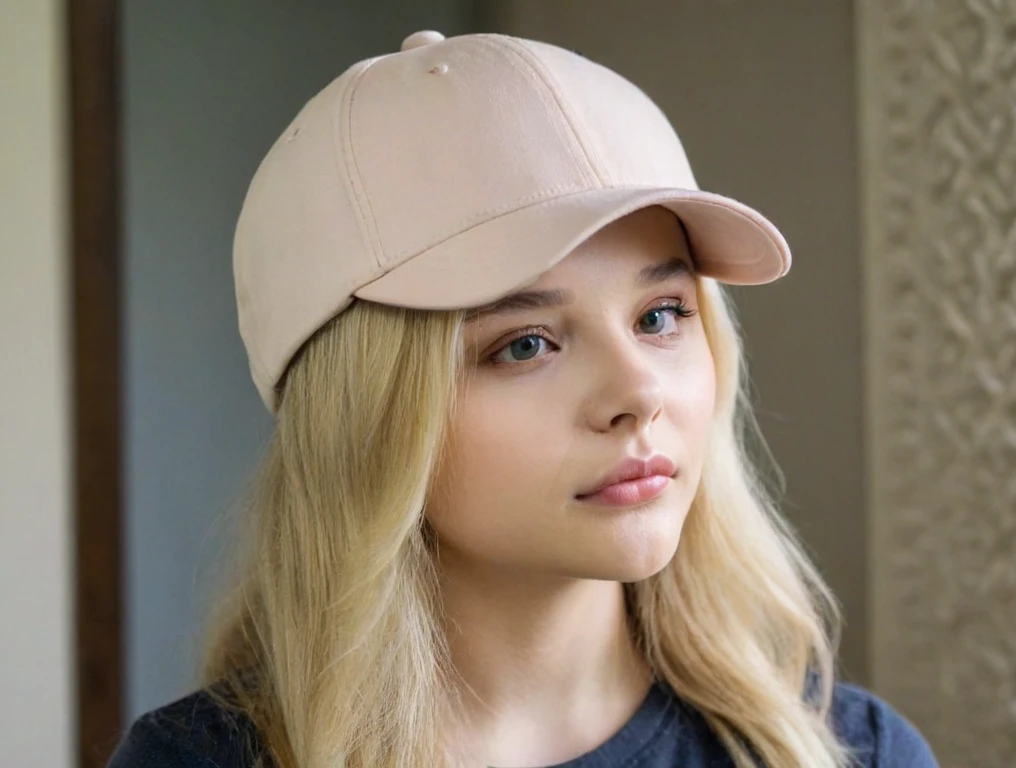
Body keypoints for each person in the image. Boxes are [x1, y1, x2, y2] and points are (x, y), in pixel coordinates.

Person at [108, 29, 938, 768]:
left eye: (661, 316)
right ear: (359, 419)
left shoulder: (852, 751)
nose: (638, 393)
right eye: (526, 344)